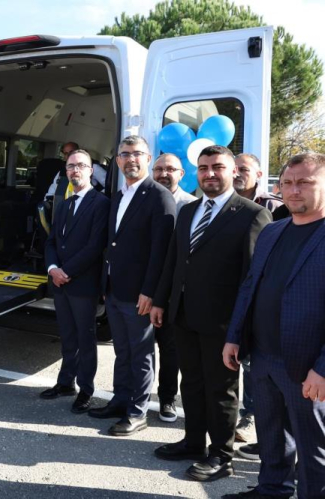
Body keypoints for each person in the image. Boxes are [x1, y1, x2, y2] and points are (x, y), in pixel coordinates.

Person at [151, 145, 271, 482]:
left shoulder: (252, 215)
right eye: (203, 168)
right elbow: (174, 260)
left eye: (217, 167)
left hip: (223, 323)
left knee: (221, 390)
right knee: (190, 383)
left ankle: (221, 455)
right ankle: (193, 442)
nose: (210, 174)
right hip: (183, 315)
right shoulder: (189, 210)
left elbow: (253, 279)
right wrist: (161, 300)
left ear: (233, 171)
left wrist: (241, 329)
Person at [222, 152, 325, 499]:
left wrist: (322, 369)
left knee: (314, 448)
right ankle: (272, 490)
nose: (294, 190)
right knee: (271, 435)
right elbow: (250, 286)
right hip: (263, 357)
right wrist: (234, 336)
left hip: (308, 367)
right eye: (287, 183)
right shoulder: (272, 231)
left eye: (305, 182)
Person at [88, 135, 175, 437]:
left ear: (148, 159)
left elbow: (162, 253)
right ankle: (120, 401)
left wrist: (150, 292)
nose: (130, 159)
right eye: (124, 154)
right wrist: (105, 282)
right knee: (122, 351)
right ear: (117, 160)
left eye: (137, 153)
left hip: (140, 294)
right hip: (114, 289)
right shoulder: (118, 195)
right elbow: (112, 244)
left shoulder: (159, 196)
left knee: (141, 355)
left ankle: (137, 412)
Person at [41, 150, 109, 413]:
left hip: (82, 284)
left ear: (91, 171)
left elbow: (95, 246)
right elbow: (51, 242)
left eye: (80, 165)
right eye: (70, 166)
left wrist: (66, 271)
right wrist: (53, 269)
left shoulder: (101, 203)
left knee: (85, 338)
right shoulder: (64, 204)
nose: (75, 170)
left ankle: (86, 390)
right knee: (67, 336)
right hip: (61, 283)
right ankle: (65, 383)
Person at [233, 153, 283, 451]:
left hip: (260, 298)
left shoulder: (274, 208)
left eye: (244, 169)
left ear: (259, 174)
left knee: (254, 364)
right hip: (229, 296)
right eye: (235, 168)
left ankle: (252, 417)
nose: (238, 173)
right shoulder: (222, 205)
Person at [151, 152, 198, 422]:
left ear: (182, 174)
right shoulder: (143, 200)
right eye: (159, 169)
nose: (163, 174)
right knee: (138, 349)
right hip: (142, 288)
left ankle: (166, 398)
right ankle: (133, 395)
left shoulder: (192, 206)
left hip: (173, 293)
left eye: (170, 169)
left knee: (171, 351)